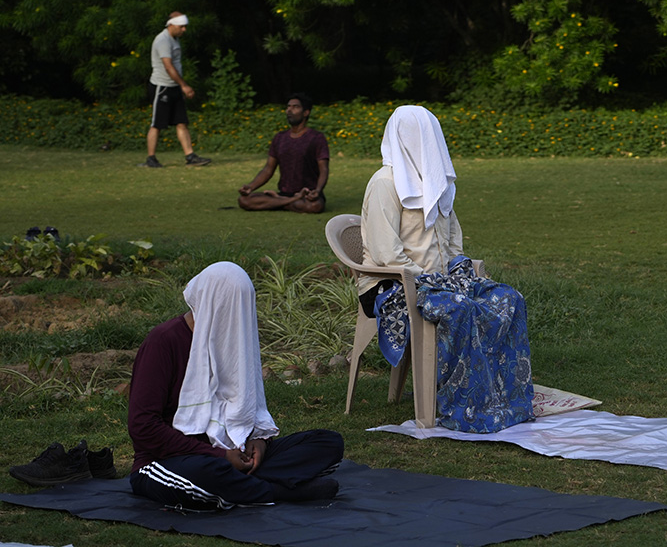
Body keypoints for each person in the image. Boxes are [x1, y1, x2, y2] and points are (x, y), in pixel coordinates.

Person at [358, 105, 534, 433]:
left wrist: (456, 272)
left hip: (440, 281)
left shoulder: (437, 182)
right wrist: (433, 280)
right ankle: (465, 405)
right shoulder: (385, 183)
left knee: (509, 299)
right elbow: (387, 254)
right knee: (461, 309)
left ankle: (503, 397)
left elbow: (453, 243)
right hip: (393, 283)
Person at [127, 261, 343, 509]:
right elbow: (143, 427)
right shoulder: (163, 341)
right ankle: (279, 491)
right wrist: (219, 455)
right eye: (231, 307)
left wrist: (259, 443)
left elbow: (244, 409)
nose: (239, 315)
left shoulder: (236, 342)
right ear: (212, 303)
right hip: (173, 460)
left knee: (328, 443)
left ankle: (242, 484)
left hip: (230, 454)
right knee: (207, 473)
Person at [141, 11, 211, 168]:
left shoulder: (175, 39)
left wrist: (179, 86)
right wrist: (184, 85)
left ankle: (190, 156)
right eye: (182, 27)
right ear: (172, 25)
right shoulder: (163, 40)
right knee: (157, 124)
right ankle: (151, 158)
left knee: (181, 122)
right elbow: (168, 66)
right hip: (162, 87)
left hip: (174, 87)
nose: (184, 30)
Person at [238, 93, 329, 213]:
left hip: (307, 194)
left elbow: (324, 169)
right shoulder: (279, 138)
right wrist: (250, 187)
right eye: (288, 107)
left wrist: (317, 190)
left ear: (306, 113)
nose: (289, 110)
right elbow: (268, 169)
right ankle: (289, 200)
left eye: (295, 107)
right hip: (286, 193)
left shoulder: (316, 138)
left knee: (315, 206)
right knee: (244, 200)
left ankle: (279, 202)